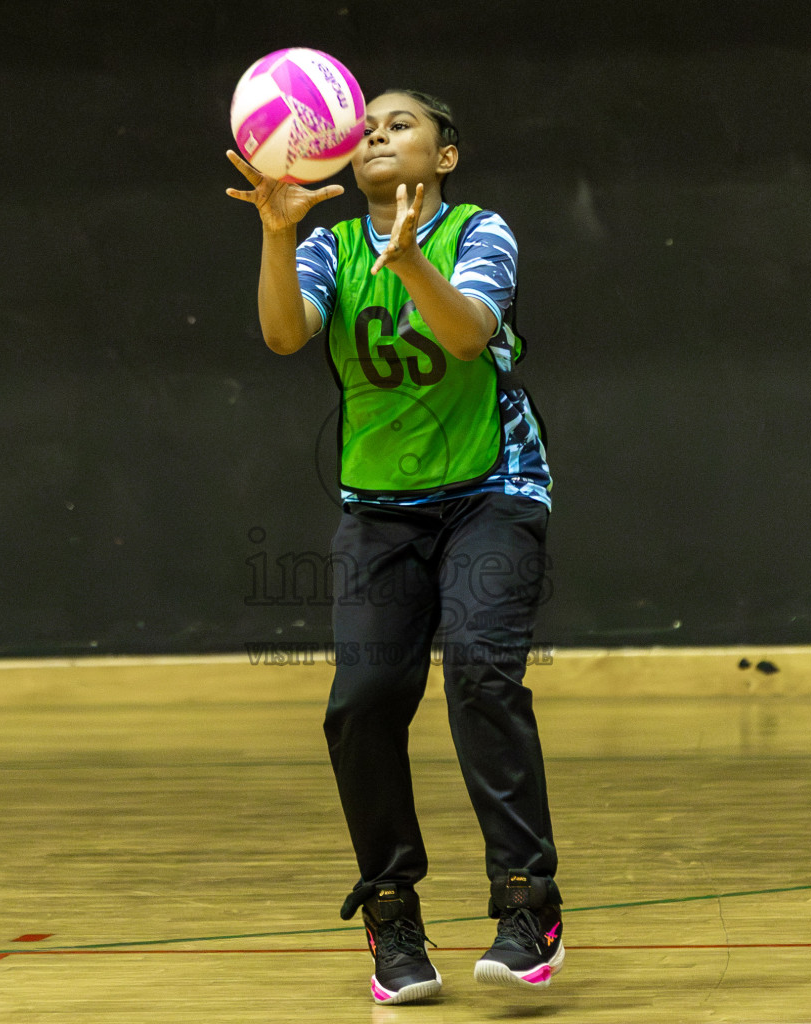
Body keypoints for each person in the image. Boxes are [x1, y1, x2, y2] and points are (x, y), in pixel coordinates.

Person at [227, 88, 562, 1004]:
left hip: (492, 489)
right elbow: (283, 335)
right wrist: (276, 233)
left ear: (444, 155)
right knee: (363, 701)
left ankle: (527, 901)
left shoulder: (480, 231)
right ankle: (391, 909)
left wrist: (410, 260)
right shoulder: (331, 247)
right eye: (366, 126)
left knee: (481, 674)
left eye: (400, 123)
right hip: (380, 507)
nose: (377, 133)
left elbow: (467, 336)